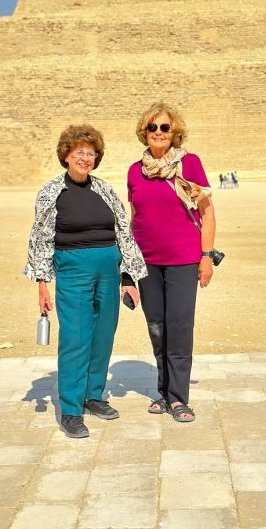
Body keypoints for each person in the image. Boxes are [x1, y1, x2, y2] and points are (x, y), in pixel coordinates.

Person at [24, 124, 147, 438]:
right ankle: (71, 409)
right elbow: (40, 239)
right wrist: (42, 283)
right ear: (66, 155)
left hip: (108, 269)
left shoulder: (104, 189)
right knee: (76, 338)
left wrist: (127, 276)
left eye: (90, 153)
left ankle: (94, 395)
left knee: (103, 334)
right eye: (78, 152)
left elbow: (123, 231)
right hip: (73, 270)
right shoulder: (52, 192)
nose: (85, 158)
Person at [127, 103, 216, 422]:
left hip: (182, 260)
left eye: (165, 127)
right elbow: (134, 219)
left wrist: (206, 256)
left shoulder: (189, 165)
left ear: (175, 132)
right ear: (144, 132)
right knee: (157, 327)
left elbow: (206, 212)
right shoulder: (135, 171)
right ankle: (163, 391)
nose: (159, 133)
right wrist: (127, 268)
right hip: (147, 261)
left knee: (179, 326)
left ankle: (178, 398)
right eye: (153, 127)